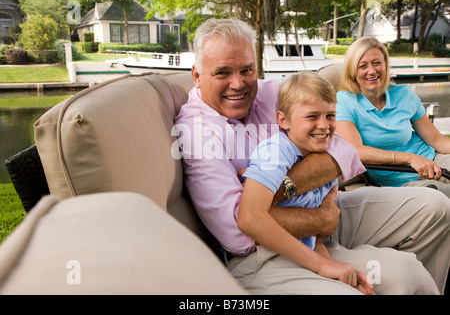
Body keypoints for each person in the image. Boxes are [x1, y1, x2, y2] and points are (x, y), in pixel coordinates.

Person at [174, 18, 449, 294]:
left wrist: (267, 188)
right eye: (222, 73)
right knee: (406, 276)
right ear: (197, 75)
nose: (238, 83)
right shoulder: (197, 132)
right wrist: (318, 219)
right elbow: (239, 230)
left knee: (435, 208)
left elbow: (342, 151)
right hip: (268, 250)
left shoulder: (273, 94)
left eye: (247, 70)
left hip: (324, 210)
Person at [238, 71, 374, 295]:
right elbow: (249, 217)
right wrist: (322, 265)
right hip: (264, 258)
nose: (324, 125)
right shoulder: (276, 151)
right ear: (283, 120)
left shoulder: (322, 161)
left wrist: (336, 273)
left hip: (298, 256)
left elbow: (312, 238)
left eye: (330, 115)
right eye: (312, 117)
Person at [336, 36, 450, 197]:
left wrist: (419, 158)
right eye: (363, 66)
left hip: (433, 158)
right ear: (353, 71)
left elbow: (436, 139)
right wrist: (409, 158)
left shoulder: (404, 94)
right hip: (400, 178)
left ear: (385, 65)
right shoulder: (345, 101)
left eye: (377, 63)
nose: (372, 71)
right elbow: (356, 150)